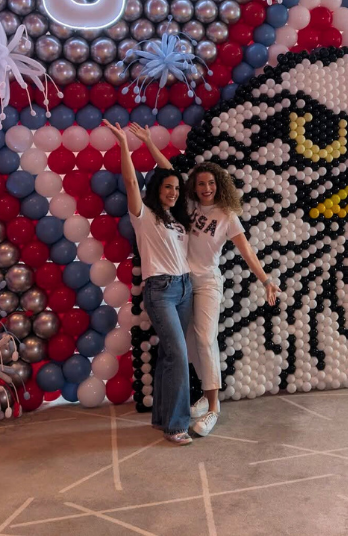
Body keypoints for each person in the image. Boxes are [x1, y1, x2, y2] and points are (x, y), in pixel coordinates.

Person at [129, 123, 279, 438]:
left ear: (219, 185)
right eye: (201, 184)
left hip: (208, 283)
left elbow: (247, 250)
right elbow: (167, 171)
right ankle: (202, 400)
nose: (206, 188)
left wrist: (266, 279)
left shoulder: (227, 216)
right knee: (190, 347)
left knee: (205, 340)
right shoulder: (191, 206)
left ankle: (213, 409)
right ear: (195, 188)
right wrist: (148, 143)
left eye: (211, 183)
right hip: (183, 283)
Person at [103, 120, 194, 446]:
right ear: (156, 189)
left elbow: (170, 171)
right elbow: (130, 180)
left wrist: (151, 144)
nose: (172, 192)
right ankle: (177, 425)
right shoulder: (144, 215)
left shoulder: (175, 217)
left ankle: (162, 419)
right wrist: (126, 147)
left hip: (185, 288)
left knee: (171, 356)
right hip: (162, 291)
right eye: (167, 187)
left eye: (176, 189)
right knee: (179, 355)